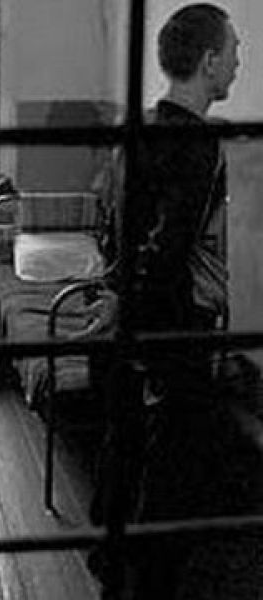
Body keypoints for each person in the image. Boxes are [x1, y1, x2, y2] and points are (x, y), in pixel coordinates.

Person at [87, 5, 257, 598]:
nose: (238, 62)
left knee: (130, 441)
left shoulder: (138, 130)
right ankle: (151, 578)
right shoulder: (200, 145)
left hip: (138, 318)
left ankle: (108, 557)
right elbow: (169, 243)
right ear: (209, 62)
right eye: (233, 51)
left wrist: (116, 293)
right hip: (175, 322)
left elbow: (118, 226)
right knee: (174, 459)